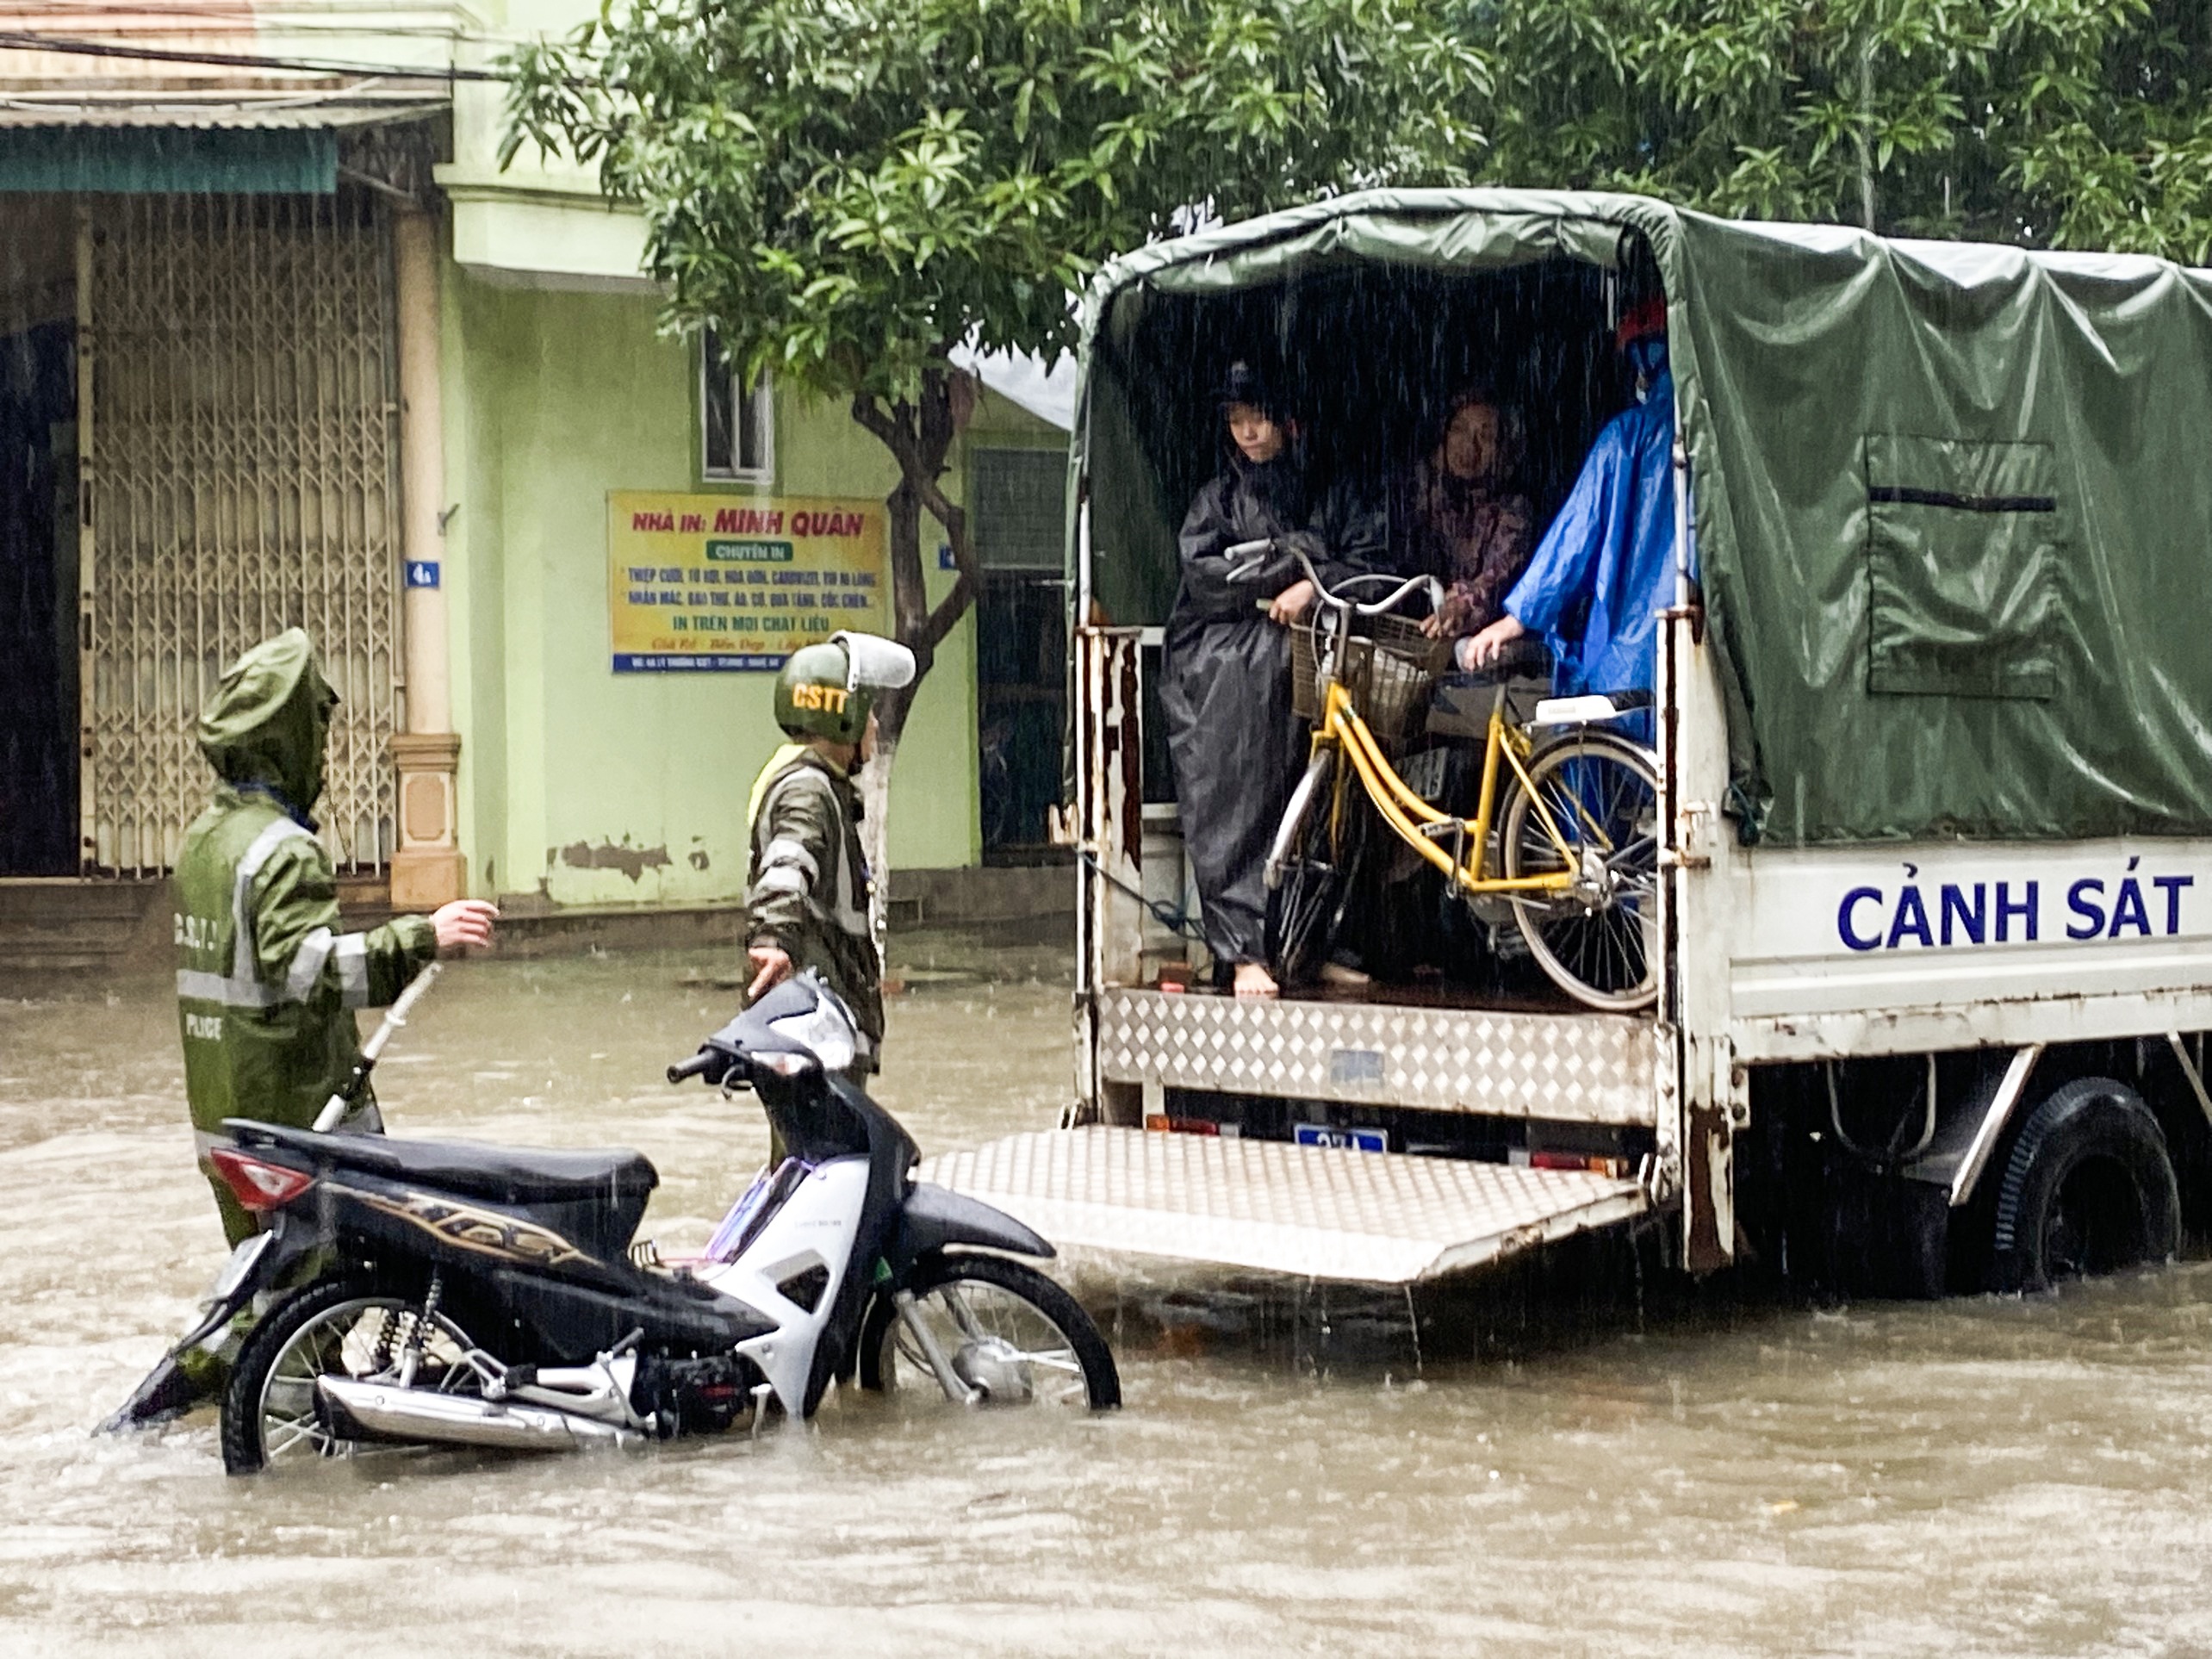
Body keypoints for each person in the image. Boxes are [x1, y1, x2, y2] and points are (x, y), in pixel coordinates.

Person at [111, 629, 499, 1427]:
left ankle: (264, 1429)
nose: (324, 751)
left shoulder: (206, 842)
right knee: (315, 1288)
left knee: (271, 1288)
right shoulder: (282, 850)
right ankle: (186, 1412)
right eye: (317, 733)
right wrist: (424, 935)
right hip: (294, 1122)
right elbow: (315, 970)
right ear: (289, 740)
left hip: (225, 1121)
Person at [1162, 362, 1385, 997]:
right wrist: (1289, 570)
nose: (1248, 434)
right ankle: (1243, 952)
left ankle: (1311, 946)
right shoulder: (1218, 500)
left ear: (1289, 420)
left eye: (1256, 419)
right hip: (1229, 659)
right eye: (1236, 422)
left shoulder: (1331, 486)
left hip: (1317, 652)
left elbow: (1368, 560)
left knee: (1333, 800)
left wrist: (1311, 586)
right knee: (1241, 797)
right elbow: (1206, 577)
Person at [1461, 298, 1680, 718]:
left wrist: (1516, 618)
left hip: (1627, 653)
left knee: (1608, 749)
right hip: (1695, 647)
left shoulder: (1626, 438)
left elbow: (1574, 539)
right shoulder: (1716, 434)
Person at [743, 631, 916, 1079]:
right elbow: (789, 860)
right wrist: (774, 940)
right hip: (812, 1031)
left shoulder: (815, 781)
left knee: (809, 1151)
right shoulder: (808, 790)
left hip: (815, 1027)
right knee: (824, 1150)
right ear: (844, 715)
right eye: (869, 711)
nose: (875, 724)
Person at [1404, 386, 1536, 647]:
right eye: (1460, 430)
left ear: (1504, 451)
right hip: (1407, 629)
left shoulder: (1513, 509)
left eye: (1485, 437)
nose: (1469, 446)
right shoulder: (1414, 488)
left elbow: (1497, 574)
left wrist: (1462, 603)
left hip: (1475, 641)